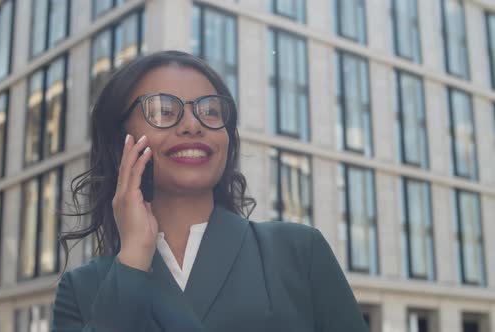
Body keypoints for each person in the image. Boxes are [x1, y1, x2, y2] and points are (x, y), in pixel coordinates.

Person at [52, 50, 368, 332]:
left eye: (211, 111)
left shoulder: (299, 251)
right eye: (163, 110)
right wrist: (133, 256)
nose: (193, 124)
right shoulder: (81, 290)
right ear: (120, 139)